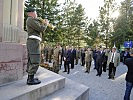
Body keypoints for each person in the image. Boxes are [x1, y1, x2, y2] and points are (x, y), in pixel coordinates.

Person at [26, 7, 49, 85]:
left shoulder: (32, 20)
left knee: (32, 60)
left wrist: (41, 21)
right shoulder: (30, 19)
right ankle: (30, 80)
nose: (37, 14)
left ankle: (30, 77)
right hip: (33, 43)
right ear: (32, 13)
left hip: (34, 42)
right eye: (36, 13)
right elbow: (41, 28)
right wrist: (45, 24)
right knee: (35, 60)